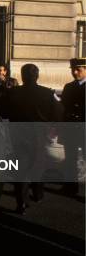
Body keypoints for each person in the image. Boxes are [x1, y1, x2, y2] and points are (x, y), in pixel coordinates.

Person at [0, 64, 63, 214]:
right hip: (39, 133)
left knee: (20, 168)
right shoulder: (47, 93)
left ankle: (21, 202)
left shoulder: (12, 92)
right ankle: (37, 193)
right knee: (39, 163)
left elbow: (3, 112)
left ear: (22, 76)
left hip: (18, 132)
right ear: (37, 76)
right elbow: (58, 112)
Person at [59, 57, 86, 196]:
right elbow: (63, 107)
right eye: (73, 70)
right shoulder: (68, 87)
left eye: (78, 70)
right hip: (70, 127)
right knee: (70, 158)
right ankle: (70, 187)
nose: (75, 72)